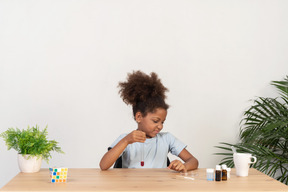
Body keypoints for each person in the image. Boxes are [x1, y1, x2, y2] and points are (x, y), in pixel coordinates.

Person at [99, 71, 198, 172]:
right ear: (139, 117)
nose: (160, 126)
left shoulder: (167, 139)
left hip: (159, 186)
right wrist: (126, 141)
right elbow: (103, 165)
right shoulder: (126, 139)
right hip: (131, 186)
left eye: (162, 122)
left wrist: (184, 166)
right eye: (156, 121)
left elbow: (193, 161)